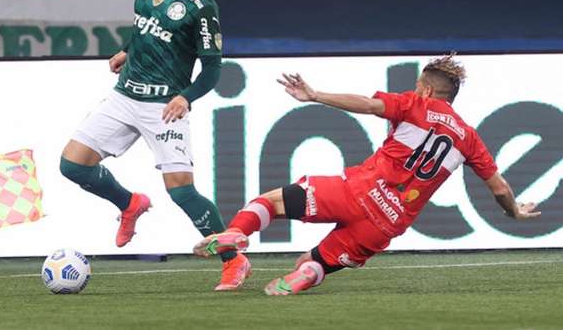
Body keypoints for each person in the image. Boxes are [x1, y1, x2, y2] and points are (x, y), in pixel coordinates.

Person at [194, 55, 541, 295]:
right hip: (388, 224)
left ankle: (238, 233)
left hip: (357, 191)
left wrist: (315, 95)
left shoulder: (414, 104)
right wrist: (514, 212)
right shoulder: (469, 139)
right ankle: (303, 275)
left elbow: (369, 104)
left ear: (428, 90)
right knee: (312, 262)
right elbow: (499, 187)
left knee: (269, 203)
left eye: (418, 85)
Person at [59, 0, 249, 290]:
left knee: (181, 190)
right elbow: (143, 25)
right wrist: (126, 51)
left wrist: (185, 97)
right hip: (125, 94)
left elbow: (212, 69)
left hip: (164, 106)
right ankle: (129, 204)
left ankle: (234, 259)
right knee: (72, 164)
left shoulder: (202, 8)